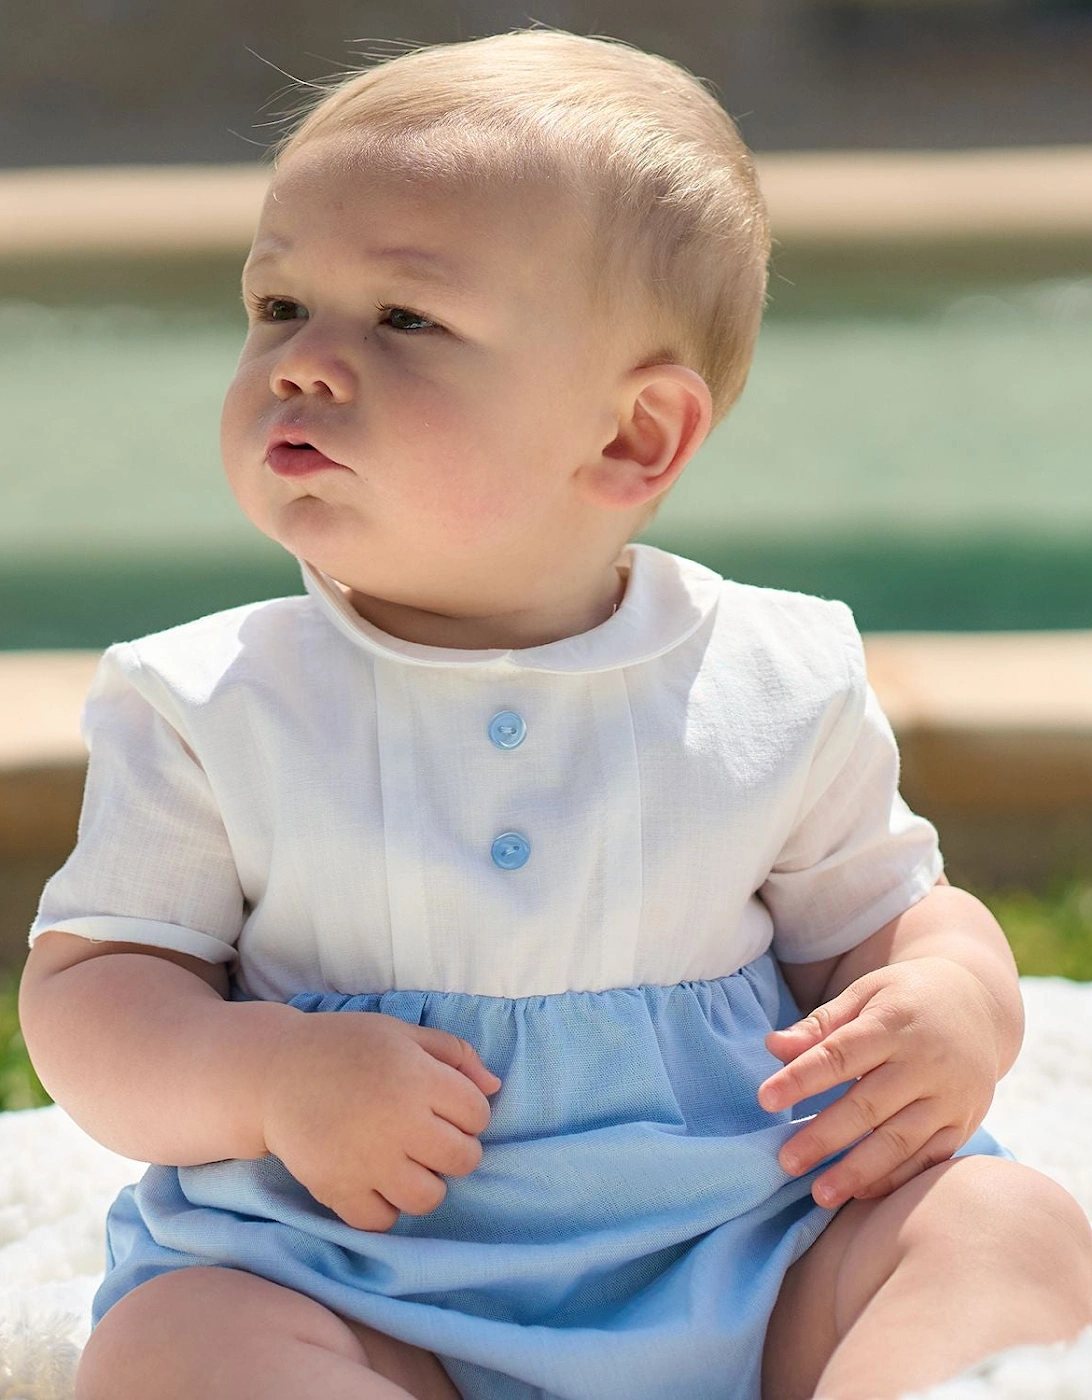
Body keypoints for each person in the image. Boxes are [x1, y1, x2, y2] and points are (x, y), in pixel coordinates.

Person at [18, 26, 1092, 1400]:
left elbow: (887, 917)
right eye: (279, 306)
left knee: (1005, 1226)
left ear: (634, 437)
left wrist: (954, 999)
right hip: (362, 1285)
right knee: (176, 1345)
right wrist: (268, 1076)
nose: (303, 362)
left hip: (751, 1262)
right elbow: (94, 995)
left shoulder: (771, 675)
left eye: (403, 320)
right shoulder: (214, 703)